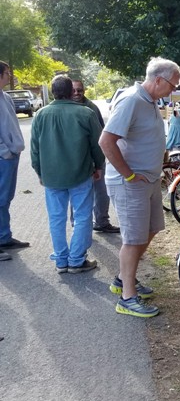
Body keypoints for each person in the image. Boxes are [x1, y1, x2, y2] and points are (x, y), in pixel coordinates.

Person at [99, 57, 180, 318]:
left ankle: (124, 280)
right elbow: (106, 141)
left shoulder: (150, 101)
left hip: (149, 179)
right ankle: (127, 298)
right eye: (172, 84)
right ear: (158, 79)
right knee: (133, 239)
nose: (174, 90)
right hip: (131, 184)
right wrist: (130, 176)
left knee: (151, 229)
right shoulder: (132, 100)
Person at [31, 75, 105, 273]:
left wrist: (39, 171)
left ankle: (61, 259)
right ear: (71, 91)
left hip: (52, 176)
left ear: (53, 91)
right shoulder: (85, 113)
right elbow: (97, 145)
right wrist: (99, 166)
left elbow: (35, 149)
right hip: (80, 172)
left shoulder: (40, 114)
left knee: (56, 217)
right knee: (82, 216)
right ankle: (76, 259)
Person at [72, 79, 120, 233]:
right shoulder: (65, 107)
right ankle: (77, 225)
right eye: (73, 90)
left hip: (94, 156)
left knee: (101, 191)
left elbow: (101, 133)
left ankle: (102, 222)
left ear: (84, 90)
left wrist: (99, 160)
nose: (77, 93)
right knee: (77, 193)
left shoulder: (92, 108)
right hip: (75, 159)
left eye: (79, 90)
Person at [0, 60, 28, 261]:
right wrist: (5, 151)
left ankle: (4, 237)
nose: (10, 76)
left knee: (5, 198)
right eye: (7, 73)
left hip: (11, 156)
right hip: (3, 156)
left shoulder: (5, 97)